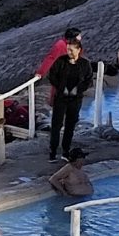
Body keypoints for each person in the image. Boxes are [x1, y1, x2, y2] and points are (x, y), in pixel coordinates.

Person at [46, 31, 94, 160]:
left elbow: (88, 80)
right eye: (68, 50)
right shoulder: (60, 61)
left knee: (70, 125)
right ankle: (53, 151)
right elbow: (52, 76)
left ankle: (66, 150)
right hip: (61, 97)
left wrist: (77, 90)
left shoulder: (85, 64)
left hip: (75, 98)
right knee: (56, 125)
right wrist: (61, 88)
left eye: (71, 50)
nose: (69, 53)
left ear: (79, 50)